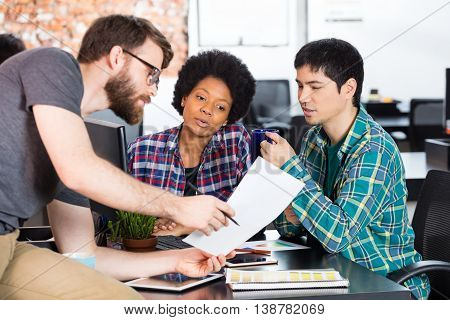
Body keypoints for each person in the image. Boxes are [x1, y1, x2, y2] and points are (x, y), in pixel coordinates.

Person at [0, 15, 234, 300]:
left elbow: (82, 255)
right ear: (116, 57)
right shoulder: (52, 63)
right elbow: (78, 170)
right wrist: (176, 207)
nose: (153, 89)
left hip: (8, 241)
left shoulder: (69, 142)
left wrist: (178, 259)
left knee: (128, 304)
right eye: (151, 74)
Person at [260, 38, 430, 299]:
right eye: (300, 85)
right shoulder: (314, 139)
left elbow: (337, 236)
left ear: (349, 88)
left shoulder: (374, 150)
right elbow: (291, 229)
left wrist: (290, 168)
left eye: (315, 87)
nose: (303, 97)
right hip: (335, 275)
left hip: (386, 285)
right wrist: (279, 184)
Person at [128, 50, 255, 236]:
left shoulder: (236, 142)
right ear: (184, 98)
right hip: (154, 253)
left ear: (228, 118)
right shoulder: (142, 150)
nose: (207, 110)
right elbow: (121, 220)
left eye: (220, 107)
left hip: (216, 255)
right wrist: (154, 222)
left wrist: (184, 227)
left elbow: (250, 210)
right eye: (201, 98)